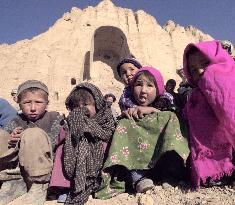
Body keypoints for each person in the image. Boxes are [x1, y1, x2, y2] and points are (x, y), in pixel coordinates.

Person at [96, 67, 189, 198]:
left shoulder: (167, 105)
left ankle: (170, 175)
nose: (143, 90)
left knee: (171, 118)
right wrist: (126, 117)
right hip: (139, 166)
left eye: (150, 85)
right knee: (124, 124)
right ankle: (137, 178)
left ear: (158, 90)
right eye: (138, 84)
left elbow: (176, 116)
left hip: (163, 163)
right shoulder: (129, 109)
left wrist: (153, 111)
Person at [0, 80, 63, 204]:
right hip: (19, 169)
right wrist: (12, 139)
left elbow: (54, 142)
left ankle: (39, 185)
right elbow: (7, 144)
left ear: (47, 103)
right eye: (27, 103)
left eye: (38, 102)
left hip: (42, 169)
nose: (33, 108)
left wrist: (25, 136)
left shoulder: (54, 118)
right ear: (19, 103)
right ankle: (13, 181)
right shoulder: (16, 120)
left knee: (33, 134)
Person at [183, 40, 235, 188]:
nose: (199, 72)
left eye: (205, 63)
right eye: (193, 70)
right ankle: (215, 169)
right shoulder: (194, 97)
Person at [62, 82, 115, 205]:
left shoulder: (106, 117)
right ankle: (64, 186)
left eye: (86, 104)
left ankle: (98, 182)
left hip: (100, 158)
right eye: (76, 106)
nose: (81, 109)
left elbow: (108, 133)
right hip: (75, 159)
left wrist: (90, 128)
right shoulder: (71, 120)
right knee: (63, 149)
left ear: (97, 104)